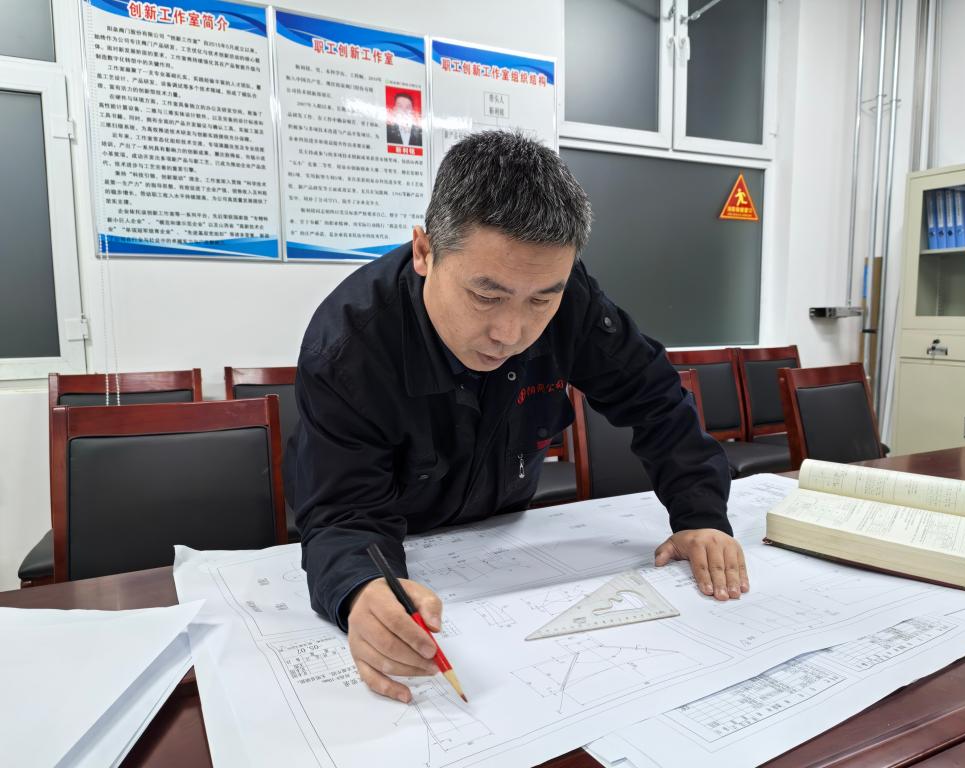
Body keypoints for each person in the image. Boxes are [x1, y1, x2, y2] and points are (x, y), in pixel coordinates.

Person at [287, 131, 748, 704]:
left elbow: (654, 396)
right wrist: (363, 588)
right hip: (400, 545)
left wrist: (700, 515)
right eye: (486, 296)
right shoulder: (350, 344)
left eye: (541, 300)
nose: (511, 333)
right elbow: (342, 511)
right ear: (425, 252)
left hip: (503, 543)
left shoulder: (571, 299)